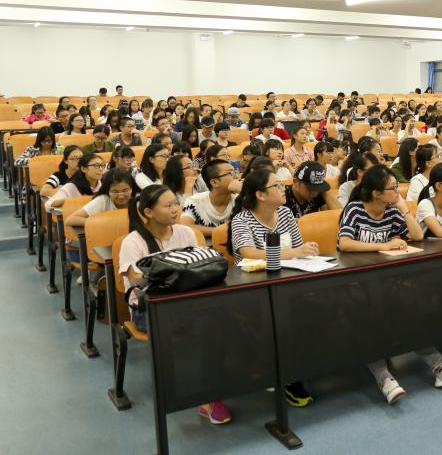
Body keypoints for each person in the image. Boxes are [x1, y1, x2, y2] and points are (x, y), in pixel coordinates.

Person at [338, 165, 442, 403]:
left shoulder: (391, 211)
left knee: (408, 313)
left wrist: (402, 208)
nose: (397, 191)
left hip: (386, 280)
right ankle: (384, 378)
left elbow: (417, 236)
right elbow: (345, 243)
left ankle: (439, 366)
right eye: (392, 188)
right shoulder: (355, 209)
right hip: (355, 283)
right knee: (369, 320)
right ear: (376, 193)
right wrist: (384, 245)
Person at [118, 184, 232, 424]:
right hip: (149, 311)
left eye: (175, 203)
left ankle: (232, 379)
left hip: (189, 303)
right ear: (148, 212)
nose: (175, 209)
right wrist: (178, 274)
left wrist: (175, 275)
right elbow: (138, 283)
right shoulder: (133, 242)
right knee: (210, 325)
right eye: (167, 205)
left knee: (228, 316)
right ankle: (208, 396)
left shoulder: (186, 233)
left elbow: (203, 267)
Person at [227, 170, 318, 406]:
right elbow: (249, 252)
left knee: (320, 306)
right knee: (283, 319)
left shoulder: (285, 213)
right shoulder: (242, 220)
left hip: (289, 282)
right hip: (254, 290)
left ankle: (298, 366)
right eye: (276, 185)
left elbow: (299, 247)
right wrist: (294, 252)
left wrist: (304, 251)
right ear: (260, 194)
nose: (283, 188)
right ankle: (286, 375)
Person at [180, 159, 237, 236]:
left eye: (235, 172)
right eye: (230, 173)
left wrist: (243, 191)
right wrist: (220, 232)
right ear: (214, 182)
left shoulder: (240, 199)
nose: (236, 176)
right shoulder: (195, 201)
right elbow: (185, 226)